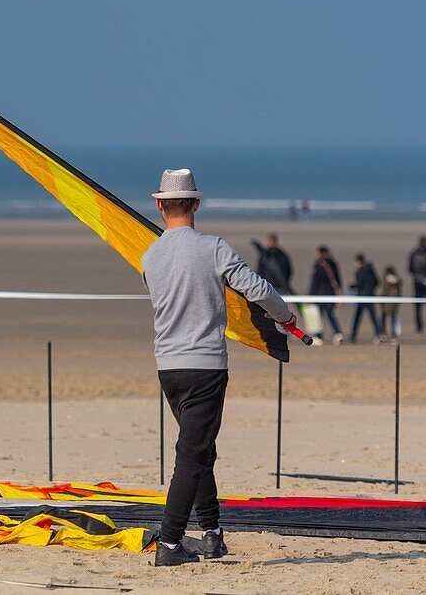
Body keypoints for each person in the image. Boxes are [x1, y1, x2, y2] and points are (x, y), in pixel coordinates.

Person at [141, 169, 293, 567]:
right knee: (191, 455)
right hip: (204, 366)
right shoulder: (212, 247)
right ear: (195, 203)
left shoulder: (149, 255)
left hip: (168, 367)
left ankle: (211, 533)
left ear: (159, 206)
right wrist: (284, 316)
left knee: (199, 447)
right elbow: (256, 287)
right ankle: (170, 543)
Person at [308, 246, 343, 345]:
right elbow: (337, 280)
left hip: (320, 294)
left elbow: (315, 282)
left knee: (320, 316)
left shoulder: (319, 265)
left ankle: (319, 336)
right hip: (330, 294)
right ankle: (338, 333)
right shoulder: (333, 264)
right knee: (329, 314)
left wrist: (310, 295)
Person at [348, 253, 381, 344]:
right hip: (370, 296)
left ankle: (353, 336)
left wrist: (353, 286)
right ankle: (378, 334)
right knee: (373, 317)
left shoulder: (360, 272)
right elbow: (377, 282)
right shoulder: (371, 270)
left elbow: (360, 284)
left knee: (358, 317)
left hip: (363, 297)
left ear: (358, 261)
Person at [379, 265, 403, 341]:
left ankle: (383, 333)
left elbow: (384, 291)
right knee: (393, 318)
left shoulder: (387, 280)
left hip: (386, 302)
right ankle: (393, 334)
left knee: (384, 318)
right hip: (394, 303)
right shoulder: (398, 280)